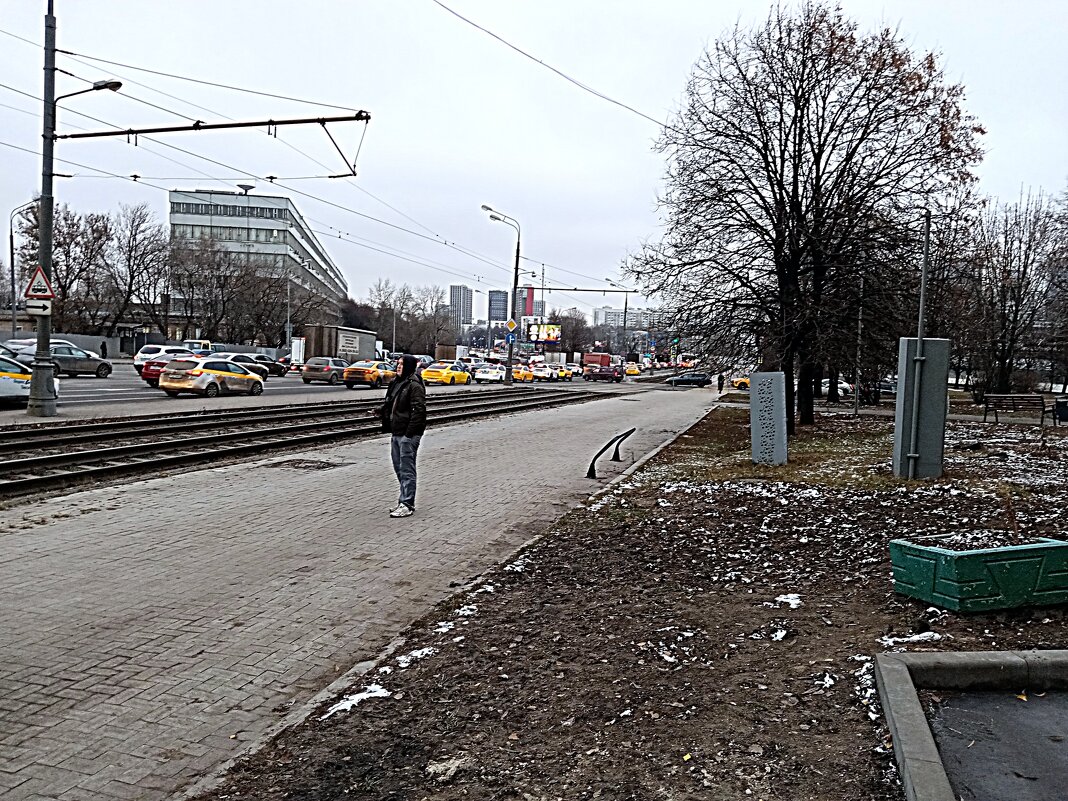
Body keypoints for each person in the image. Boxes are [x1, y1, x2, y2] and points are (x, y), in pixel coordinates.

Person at [374, 354, 426, 518]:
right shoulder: (397, 383)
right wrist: (380, 411)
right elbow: (391, 404)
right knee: (399, 468)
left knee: (406, 470)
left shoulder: (414, 385)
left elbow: (419, 412)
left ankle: (407, 504)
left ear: (409, 366)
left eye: (402, 364)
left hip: (408, 434)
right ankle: (403, 501)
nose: (398, 366)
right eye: (398, 364)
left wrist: (409, 434)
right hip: (397, 432)